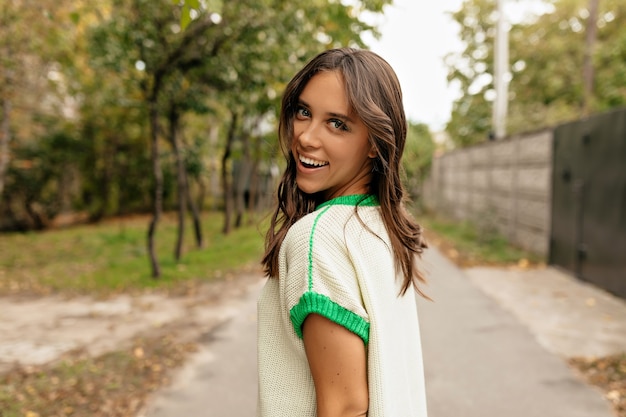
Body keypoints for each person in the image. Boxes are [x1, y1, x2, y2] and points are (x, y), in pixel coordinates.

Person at [258, 47, 429, 417]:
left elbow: (346, 407)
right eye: (304, 112)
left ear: (373, 143)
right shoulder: (380, 224)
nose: (305, 137)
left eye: (337, 123)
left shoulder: (318, 238)